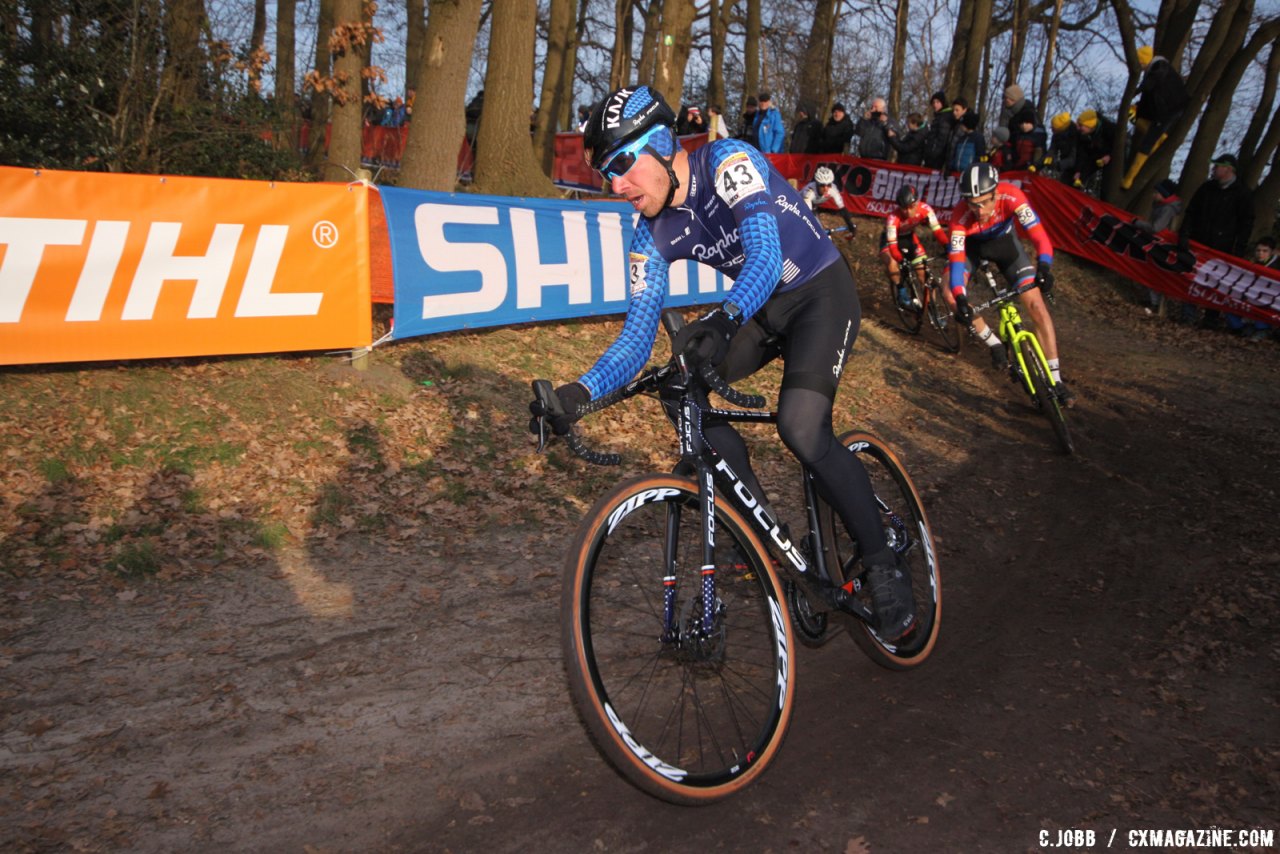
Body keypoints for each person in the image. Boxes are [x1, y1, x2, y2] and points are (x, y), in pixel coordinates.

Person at [536, 85, 917, 640]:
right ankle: (759, 530)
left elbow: (764, 254)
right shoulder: (648, 232)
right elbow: (637, 335)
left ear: (663, 142)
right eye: (605, 174)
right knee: (677, 378)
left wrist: (725, 318)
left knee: (801, 427)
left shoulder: (730, 160)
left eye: (621, 164)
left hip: (818, 294)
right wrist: (578, 393)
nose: (616, 185)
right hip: (758, 308)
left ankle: (882, 561)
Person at [948, 163, 1074, 404]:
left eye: (985, 201)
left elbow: (1039, 236)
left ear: (996, 193)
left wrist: (1045, 267)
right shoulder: (960, 217)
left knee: (1037, 305)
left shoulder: (1013, 196)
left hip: (1006, 246)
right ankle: (994, 344)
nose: (979, 209)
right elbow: (956, 263)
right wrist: (960, 296)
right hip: (972, 250)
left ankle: (1057, 380)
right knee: (951, 295)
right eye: (973, 203)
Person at [1181, 154, 1256, 329]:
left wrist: (1238, 249)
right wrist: (1185, 235)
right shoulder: (1206, 188)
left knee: (1217, 283)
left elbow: (1246, 223)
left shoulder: (1243, 193)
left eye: (1217, 167)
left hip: (1224, 247)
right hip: (1200, 242)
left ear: (1228, 169)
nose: (1213, 170)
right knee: (1192, 278)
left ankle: (1211, 317)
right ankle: (1187, 314)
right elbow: (1191, 212)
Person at [1122, 46, 1190, 190]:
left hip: (1169, 110)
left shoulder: (1159, 68)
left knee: (1148, 143)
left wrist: (1135, 92)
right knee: (1143, 124)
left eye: (1140, 64)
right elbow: (1151, 95)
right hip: (1166, 109)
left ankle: (1129, 179)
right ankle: (1160, 137)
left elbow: (1149, 88)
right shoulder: (1158, 69)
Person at [881, 184, 950, 311]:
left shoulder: (926, 209)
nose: (908, 212)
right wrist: (900, 260)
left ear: (917, 202)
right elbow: (892, 246)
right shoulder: (893, 218)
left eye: (911, 207)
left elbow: (938, 231)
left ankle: (933, 311)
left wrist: (947, 246)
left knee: (924, 276)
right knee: (892, 263)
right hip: (891, 242)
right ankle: (900, 290)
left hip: (909, 239)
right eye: (904, 208)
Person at [1133, 178, 1183, 313]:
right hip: (1158, 243)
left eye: (1156, 192)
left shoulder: (1167, 209)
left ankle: (1156, 303)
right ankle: (1152, 300)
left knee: (1156, 272)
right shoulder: (1162, 206)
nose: (1153, 195)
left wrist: (1137, 223)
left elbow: (1156, 227)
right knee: (1151, 270)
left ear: (1163, 194)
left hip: (1163, 245)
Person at [800, 165, 858, 237]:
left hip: (813, 207)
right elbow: (807, 214)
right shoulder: (809, 192)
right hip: (800, 206)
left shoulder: (833, 189)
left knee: (820, 234)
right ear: (817, 184)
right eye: (822, 185)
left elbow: (842, 209)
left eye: (829, 185)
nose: (826, 188)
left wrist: (850, 224)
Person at [1072, 109, 1116, 192]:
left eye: (1081, 125)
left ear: (1089, 125)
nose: (1078, 128)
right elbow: (1082, 154)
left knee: (1107, 187)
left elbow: (1118, 145)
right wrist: (1078, 171)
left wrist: (1110, 155)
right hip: (1097, 157)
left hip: (1112, 160)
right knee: (1080, 176)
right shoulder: (1083, 136)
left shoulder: (1109, 128)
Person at [922, 91, 954, 170]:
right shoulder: (938, 116)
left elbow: (942, 138)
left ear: (942, 102)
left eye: (937, 102)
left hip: (936, 157)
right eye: (933, 102)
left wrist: (933, 154)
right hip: (932, 153)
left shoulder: (945, 117)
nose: (935, 105)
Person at [1044, 112, 1079, 184]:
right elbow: (1052, 150)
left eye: (1053, 128)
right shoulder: (1056, 135)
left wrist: (1059, 165)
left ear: (1060, 128)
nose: (1052, 130)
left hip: (1078, 166)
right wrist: (1048, 160)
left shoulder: (1076, 134)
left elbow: (1073, 157)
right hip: (1065, 164)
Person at [948, 109, 985, 174]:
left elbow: (980, 156)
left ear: (967, 124)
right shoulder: (961, 138)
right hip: (957, 172)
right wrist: (950, 167)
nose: (961, 126)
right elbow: (955, 155)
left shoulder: (978, 138)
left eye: (962, 124)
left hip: (969, 173)